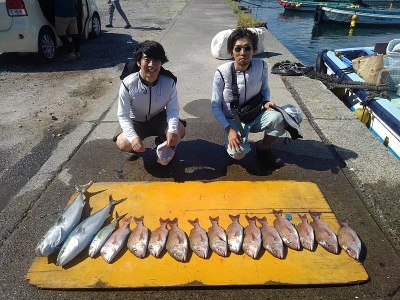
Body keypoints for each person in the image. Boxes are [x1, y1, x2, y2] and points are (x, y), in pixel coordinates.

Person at [211, 27, 302, 169]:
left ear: (253, 50)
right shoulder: (222, 73)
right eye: (238, 49)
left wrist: (266, 101)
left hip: (255, 113)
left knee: (288, 116)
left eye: (247, 48)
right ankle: (233, 141)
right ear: (231, 52)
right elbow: (215, 105)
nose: (243, 53)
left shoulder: (262, 66)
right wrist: (229, 130)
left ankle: (263, 149)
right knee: (238, 153)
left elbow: (265, 88)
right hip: (234, 119)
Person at [114, 40, 185, 163]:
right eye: (147, 60)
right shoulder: (128, 83)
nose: (152, 65)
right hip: (136, 120)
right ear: (138, 62)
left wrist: (172, 130)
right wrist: (133, 137)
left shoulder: (169, 82)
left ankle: (163, 141)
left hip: (158, 117)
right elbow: (123, 115)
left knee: (179, 130)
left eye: (156, 60)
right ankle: (135, 148)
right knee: (123, 143)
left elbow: (173, 109)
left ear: (161, 63)